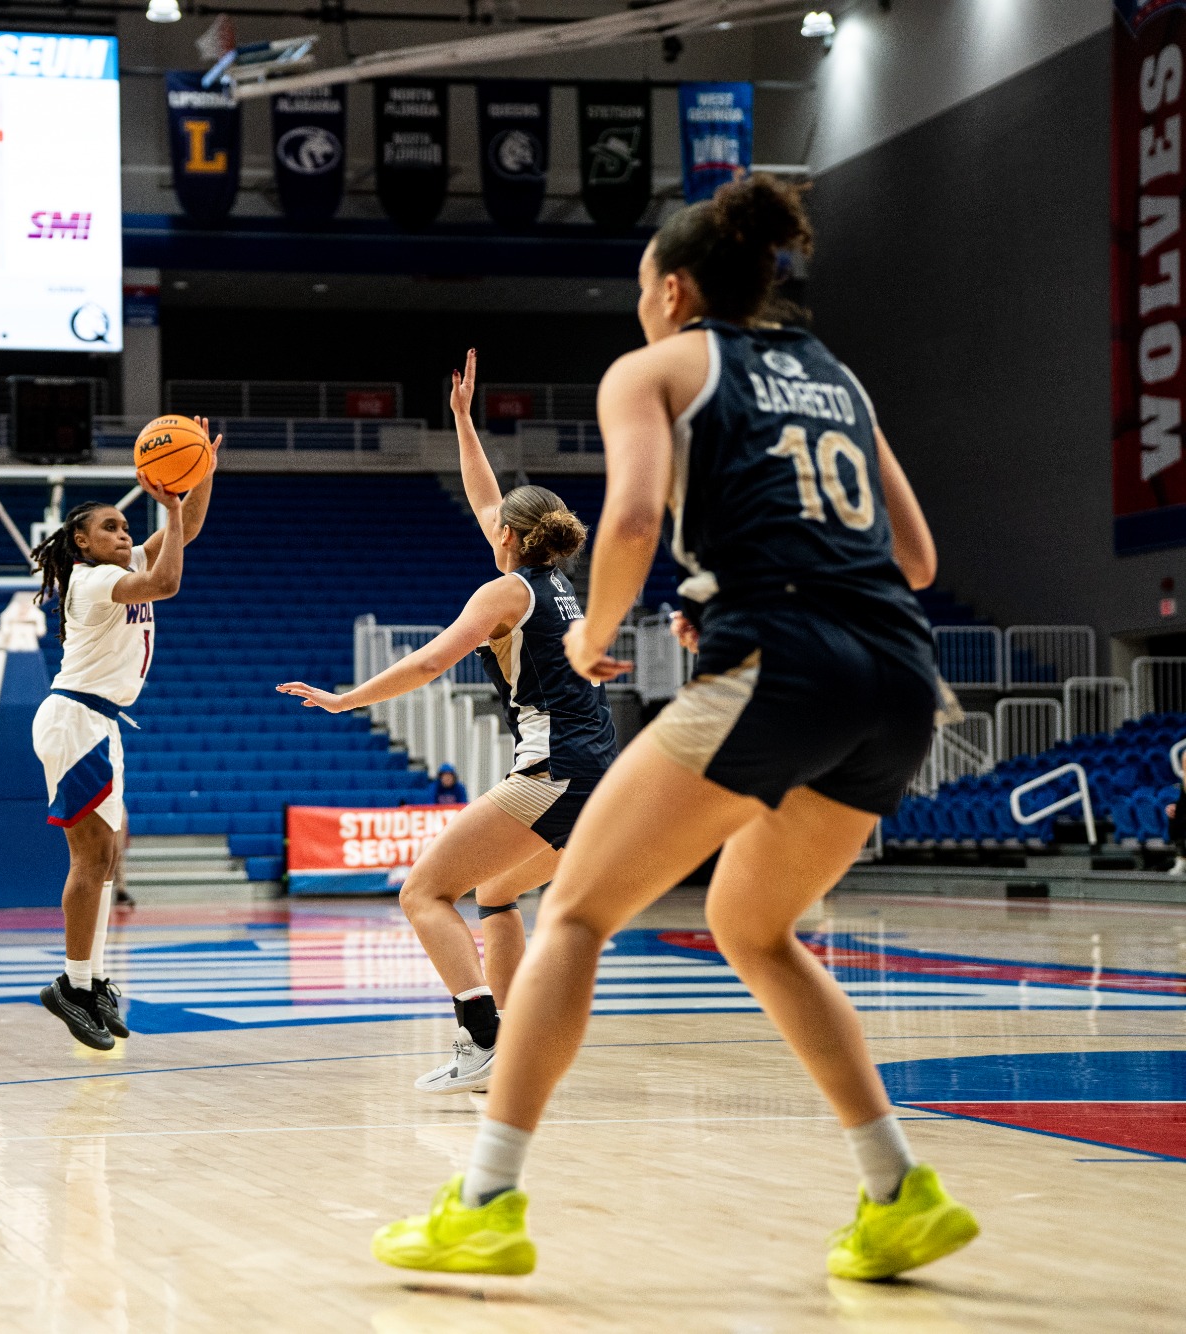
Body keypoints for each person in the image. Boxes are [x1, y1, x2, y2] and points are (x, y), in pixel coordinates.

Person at [370, 175, 977, 1284]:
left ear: (670, 289)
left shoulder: (653, 368)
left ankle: (486, 1202)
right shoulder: (836, 375)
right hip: (898, 673)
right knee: (753, 924)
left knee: (576, 916)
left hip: (781, 661)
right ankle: (897, 1189)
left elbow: (636, 515)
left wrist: (601, 631)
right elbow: (920, 561)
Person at [278, 469, 607, 1097]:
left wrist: (346, 701)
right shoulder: (559, 586)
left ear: (506, 536)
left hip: (551, 768)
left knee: (423, 894)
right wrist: (461, 420)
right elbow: (490, 500)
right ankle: (511, 1044)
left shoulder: (503, 594)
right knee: (497, 890)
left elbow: (431, 661)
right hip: (594, 769)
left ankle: (480, 1038)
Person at [31, 425, 220, 1050]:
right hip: (75, 718)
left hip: (99, 722)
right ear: (82, 542)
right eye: (111, 527)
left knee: (109, 859)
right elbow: (168, 582)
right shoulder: (90, 581)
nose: (124, 533)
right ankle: (73, 985)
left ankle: (94, 979)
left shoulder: (125, 565)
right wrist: (166, 501)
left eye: (124, 525)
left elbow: (184, 533)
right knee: (89, 859)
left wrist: (200, 474)